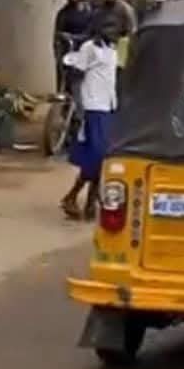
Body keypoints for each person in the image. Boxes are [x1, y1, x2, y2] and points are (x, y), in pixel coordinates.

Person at [59, 19, 118, 221]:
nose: (113, 32)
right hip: (93, 106)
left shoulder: (112, 50)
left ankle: (86, 202)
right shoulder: (89, 48)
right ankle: (77, 198)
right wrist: (78, 104)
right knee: (97, 156)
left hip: (108, 106)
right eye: (109, 27)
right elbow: (77, 74)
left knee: (101, 158)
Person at [53, 0, 90, 90]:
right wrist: (59, 56)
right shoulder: (63, 13)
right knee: (70, 85)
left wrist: (72, 37)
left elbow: (91, 33)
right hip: (70, 52)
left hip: (87, 51)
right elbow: (58, 35)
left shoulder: (89, 11)